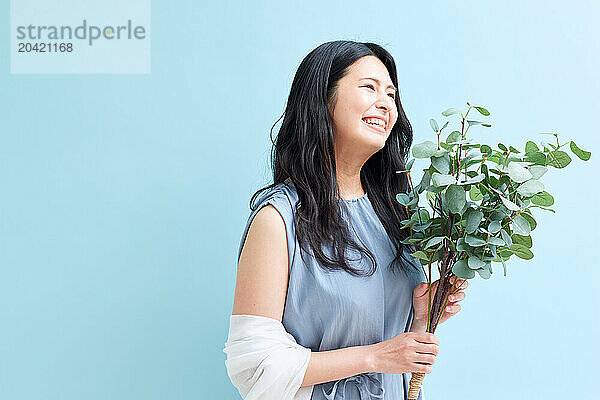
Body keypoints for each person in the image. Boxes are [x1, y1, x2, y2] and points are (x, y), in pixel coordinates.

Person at [225, 40, 467, 400]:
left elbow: (392, 357)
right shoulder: (279, 219)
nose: (385, 103)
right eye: (369, 87)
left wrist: (419, 319)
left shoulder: (396, 215)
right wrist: (374, 357)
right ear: (322, 100)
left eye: (391, 94)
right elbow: (254, 366)